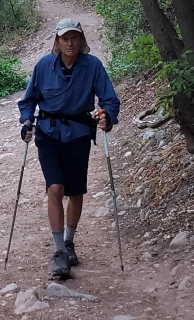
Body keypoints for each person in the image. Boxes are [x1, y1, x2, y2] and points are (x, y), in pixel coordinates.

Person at [18, 18, 120, 278]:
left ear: (81, 40)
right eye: (65, 38)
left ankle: (70, 241)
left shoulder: (93, 66)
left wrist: (108, 116)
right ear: (57, 41)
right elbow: (28, 100)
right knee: (55, 188)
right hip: (49, 134)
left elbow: (109, 99)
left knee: (75, 192)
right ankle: (59, 251)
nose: (70, 42)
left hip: (78, 135)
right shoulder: (43, 66)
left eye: (74, 37)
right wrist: (27, 121)